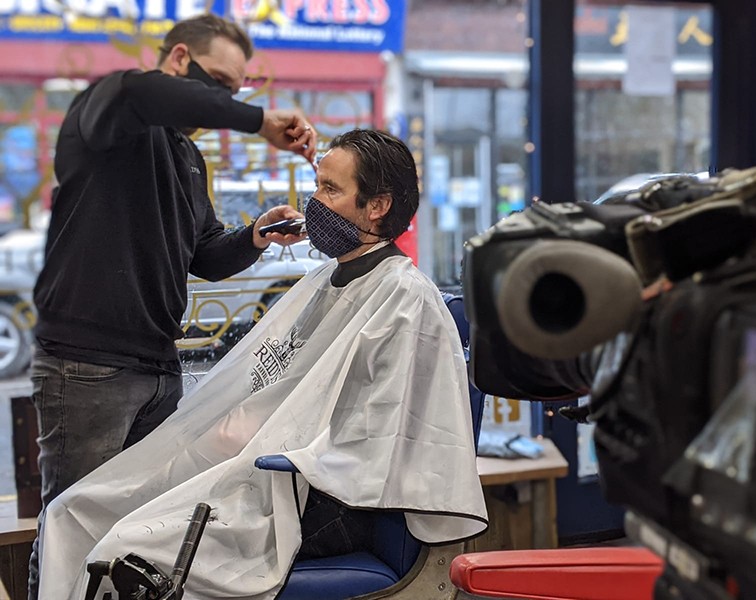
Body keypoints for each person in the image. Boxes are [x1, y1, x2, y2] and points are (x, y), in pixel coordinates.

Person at [37, 128, 488, 599]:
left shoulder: (405, 298)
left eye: (331, 190)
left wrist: (271, 442)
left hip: (336, 499)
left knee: (132, 549)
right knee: (78, 509)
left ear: (377, 206)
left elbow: (384, 435)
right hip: (274, 473)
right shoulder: (327, 282)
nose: (314, 202)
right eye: (317, 185)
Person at [28, 13, 318, 599]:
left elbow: (204, 252)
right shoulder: (111, 111)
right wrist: (259, 120)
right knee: (71, 529)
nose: (220, 103)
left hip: (157, 368)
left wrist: (255, 235)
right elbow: (143, 92)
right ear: (179, 60)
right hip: (88, 365)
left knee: (134, 536)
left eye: (233, 94)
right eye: (215, 84)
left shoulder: (189, 159)